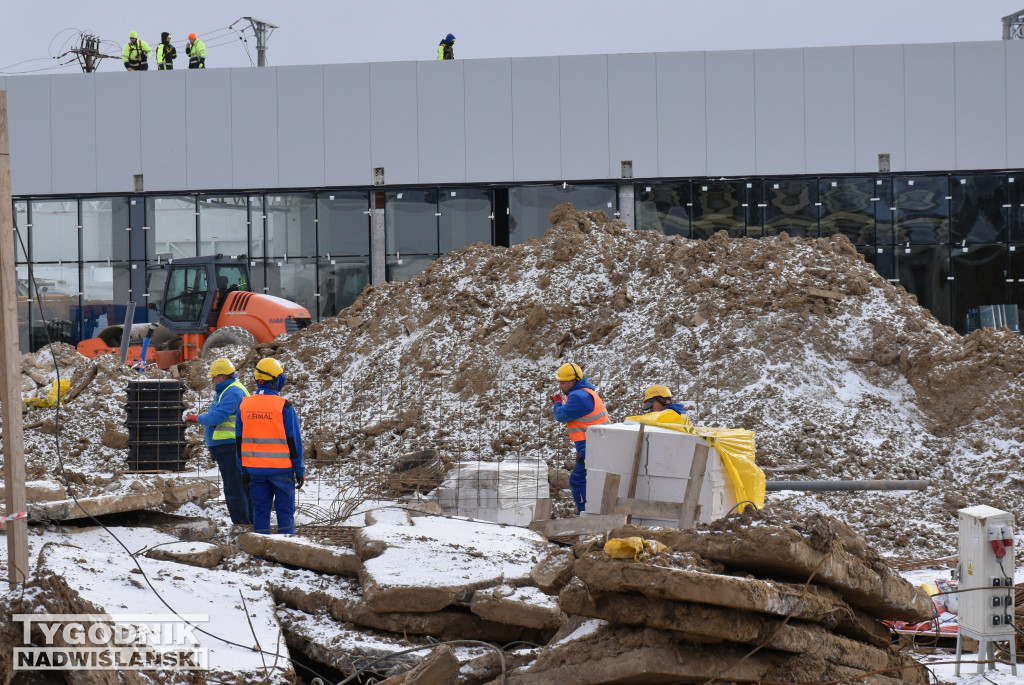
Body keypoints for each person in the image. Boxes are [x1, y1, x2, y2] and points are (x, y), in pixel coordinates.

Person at [236, 357, 305, 535]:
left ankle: (262, 548)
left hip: (255, 471)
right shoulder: (284, 406)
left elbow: (239, 442)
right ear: (277, 380)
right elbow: (294, 442)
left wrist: (243, 470)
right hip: (282, 471)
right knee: (285, 513)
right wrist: (300, 470)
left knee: (260, 512)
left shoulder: (244, 405)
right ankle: (286, 548)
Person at [186, 358, 253, 525]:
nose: (212, 381)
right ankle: (248, 523)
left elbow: (218, 417)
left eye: (214, 377)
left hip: (230, 446)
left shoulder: (232, 391)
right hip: (229, 446)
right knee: (239, 486)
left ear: (222, 377)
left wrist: (198, 418)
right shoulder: (230, 389)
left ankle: (242, 524)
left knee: (234, 488)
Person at [550, 362, 609, 513]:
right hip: (596, 444)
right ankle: (592, 513)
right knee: (588, 481)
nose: (560, 386)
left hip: (594, 446)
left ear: (573, 381)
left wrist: (557, 403)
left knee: (578, 480)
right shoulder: (585, 393)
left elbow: (561, 415)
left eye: (563, 382)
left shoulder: (579, 397)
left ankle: (587, 514)